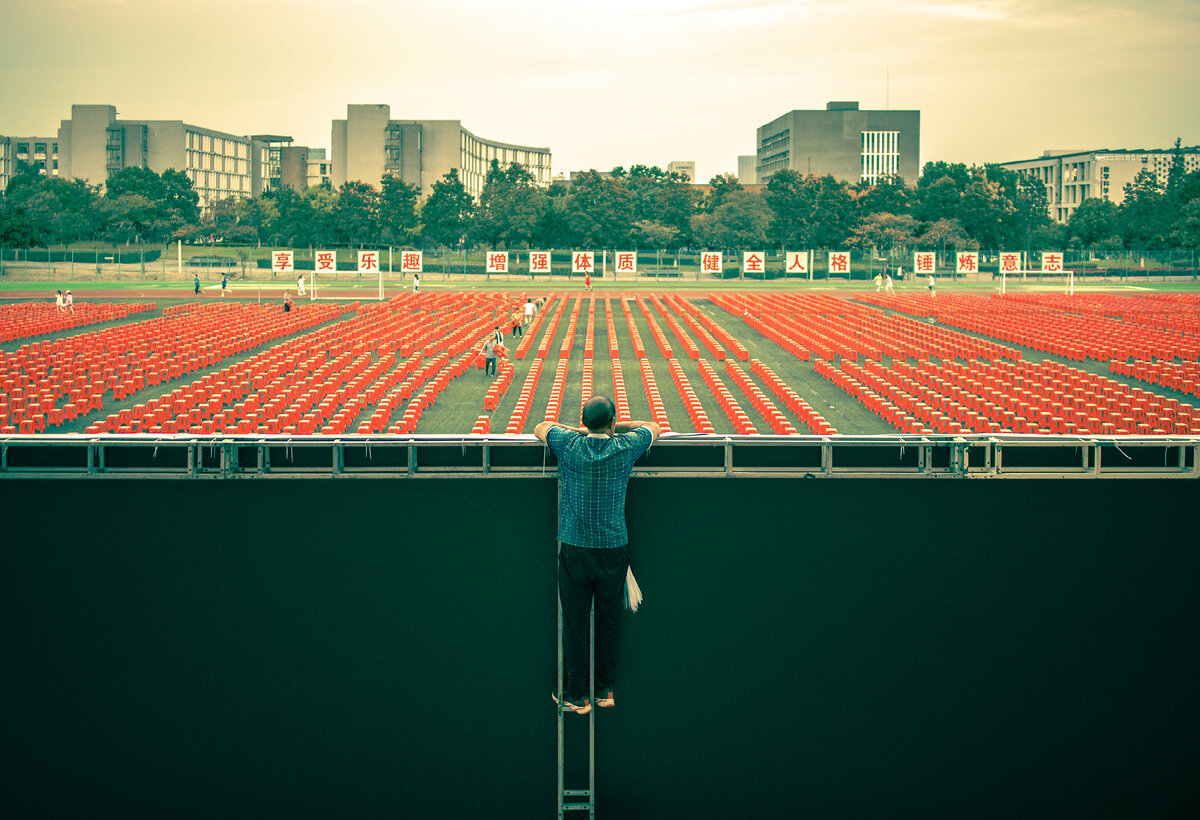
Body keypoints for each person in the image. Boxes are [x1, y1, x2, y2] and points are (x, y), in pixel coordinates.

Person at [535, 397, 662, 715]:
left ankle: (577, 694)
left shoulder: (569, 444)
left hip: (576, 548)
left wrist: (578, 429)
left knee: (576, 624)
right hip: (613, 549)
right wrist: (621, 426)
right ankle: (605, 688)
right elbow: (654, 426)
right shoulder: (625, 447)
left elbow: (541, 427)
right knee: (609, 621)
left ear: (585, 421)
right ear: (613, 422)